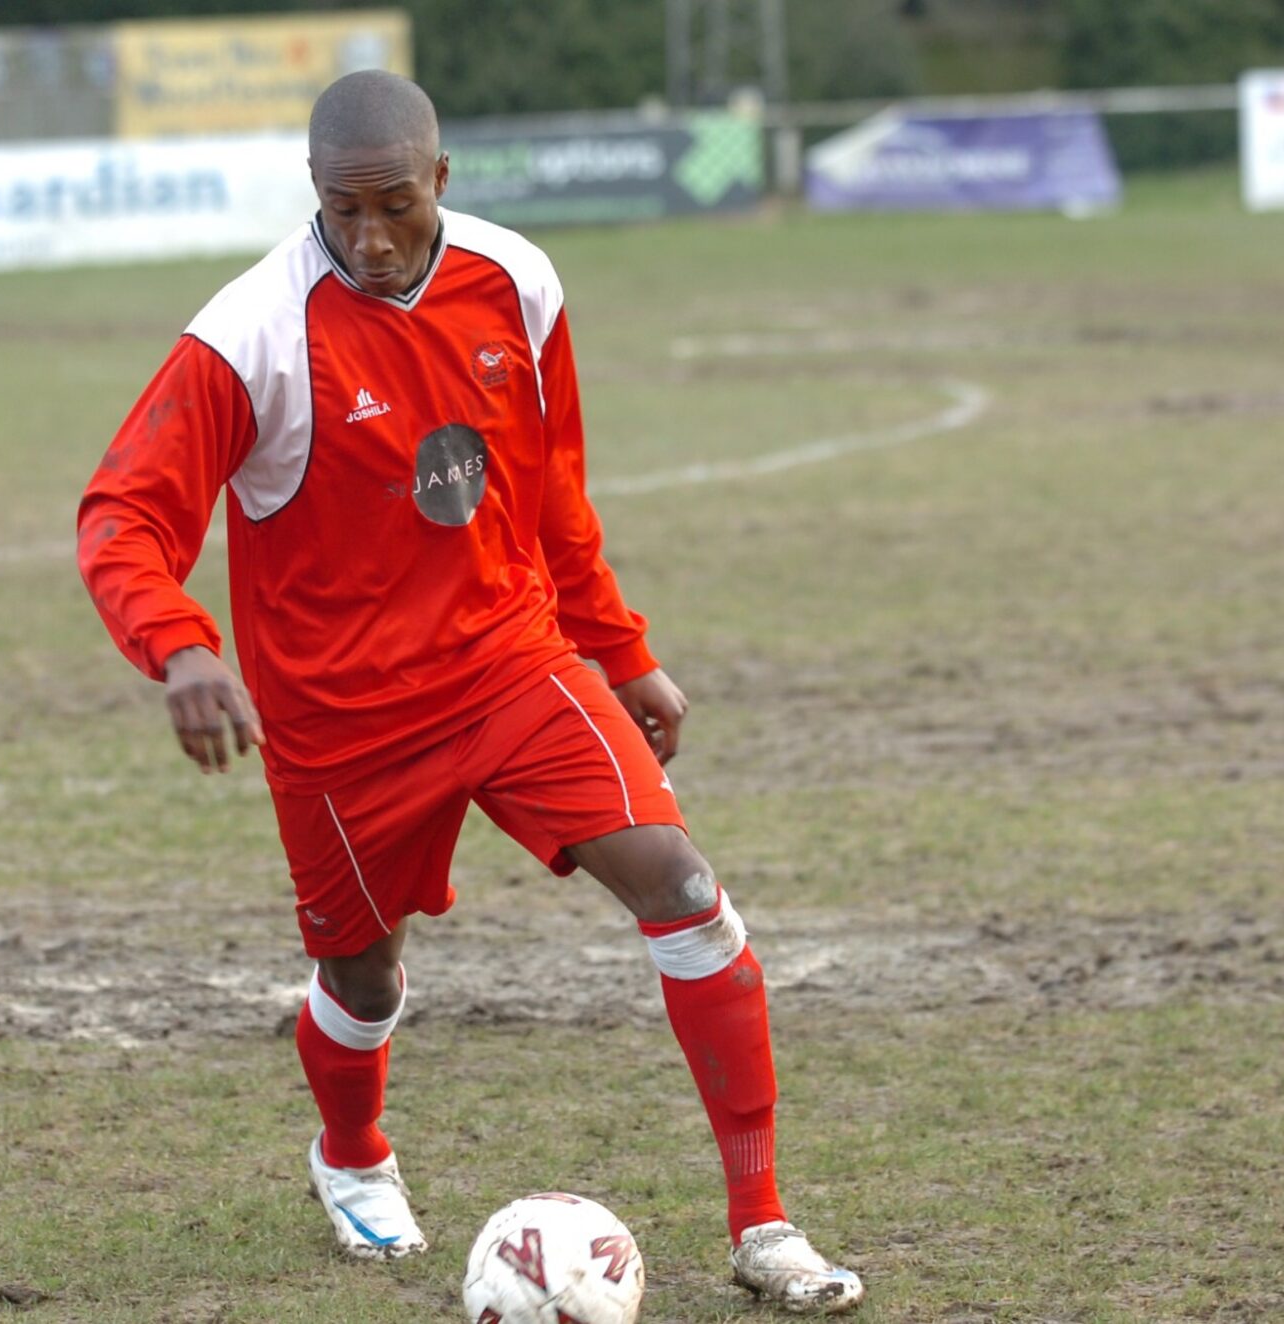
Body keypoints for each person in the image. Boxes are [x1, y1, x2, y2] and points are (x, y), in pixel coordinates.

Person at [77, 70, 863, 1314]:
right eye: (342, 210)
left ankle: (762, 1223)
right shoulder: (248, 335)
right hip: (338, 720)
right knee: (362, 981)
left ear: (440, 178)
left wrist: (619, 648)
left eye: (394, 204)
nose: (369, 237)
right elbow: (123, 512)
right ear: (312, 193)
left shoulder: (517, 282)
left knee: (681, 887)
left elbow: (548, 492)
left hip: (510, 662)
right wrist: (178, 647)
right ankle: (352, 1155)